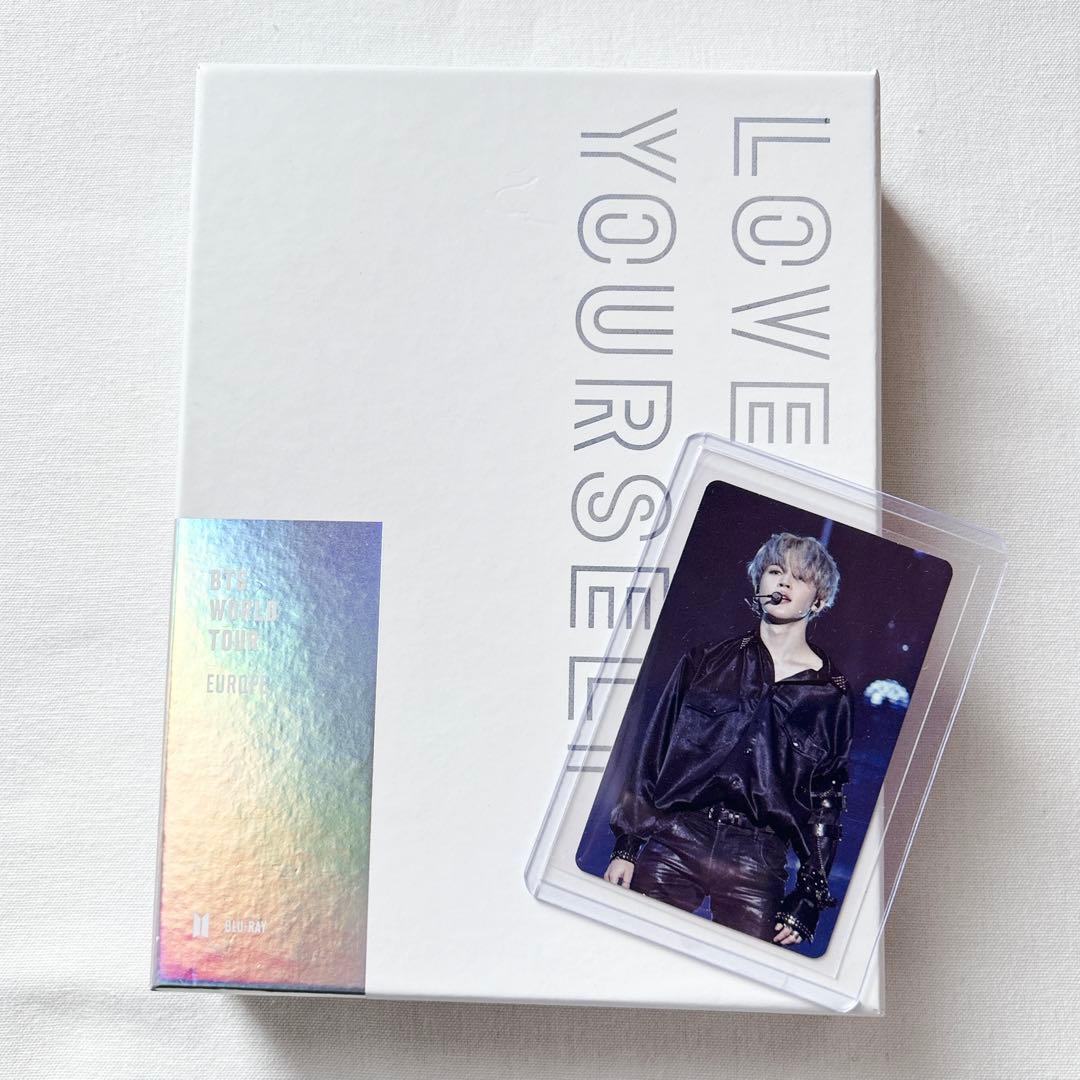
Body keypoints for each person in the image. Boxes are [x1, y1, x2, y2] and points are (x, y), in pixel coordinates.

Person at [603, 532, 856, 948]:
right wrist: (627, 846)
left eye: (799, 577)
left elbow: (826, 802)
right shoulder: (705, 661)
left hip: (758, 860)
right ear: (758, 583)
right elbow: (653, 751)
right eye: (775, 571)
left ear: (819, 599)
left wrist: (809, 898)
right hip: (678, 836)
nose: (783, 582)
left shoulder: (831, 695)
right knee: (631, 951)